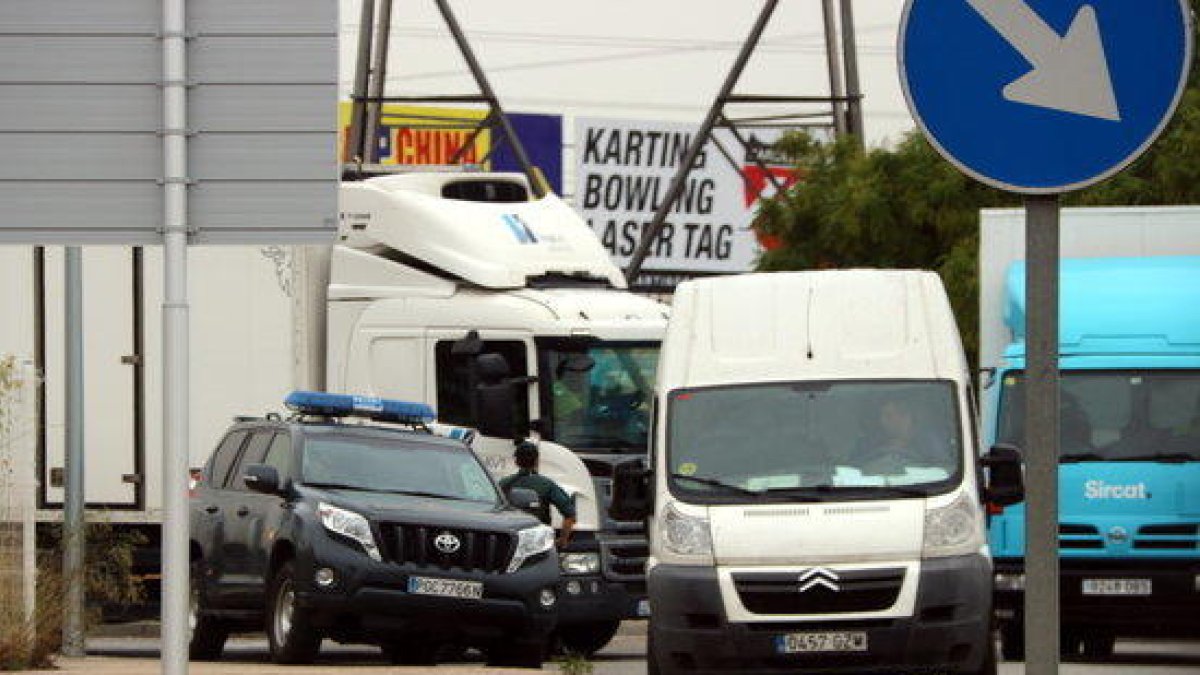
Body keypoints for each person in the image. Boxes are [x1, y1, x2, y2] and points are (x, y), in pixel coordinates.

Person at [500, 442, 577, 547]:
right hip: (539, 543)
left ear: (516, 461)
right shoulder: (547, 484)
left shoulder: (503, 484)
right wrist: (562, 540)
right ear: (536, 461)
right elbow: (570, 515)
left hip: (509, 542)